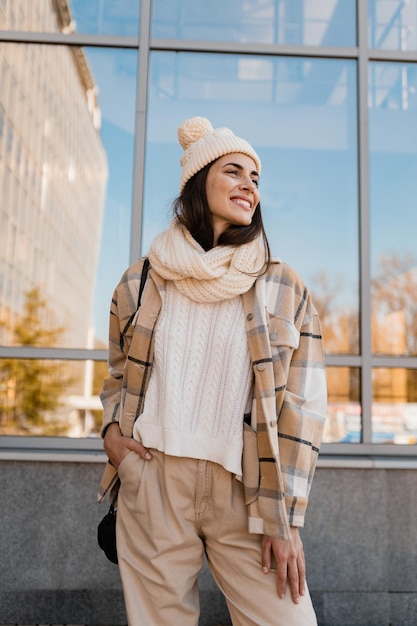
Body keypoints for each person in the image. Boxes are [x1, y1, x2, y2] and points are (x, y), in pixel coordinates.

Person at [98, 116, 327, 626]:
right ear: (198, 182)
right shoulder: (141, 278)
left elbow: (304, 407)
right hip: (153, 476)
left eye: (256, 177)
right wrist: (114, 434)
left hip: (245, 486)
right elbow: (119, 371)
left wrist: (284, 517)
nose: (249, 185)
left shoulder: (282, 285)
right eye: (233, 171)